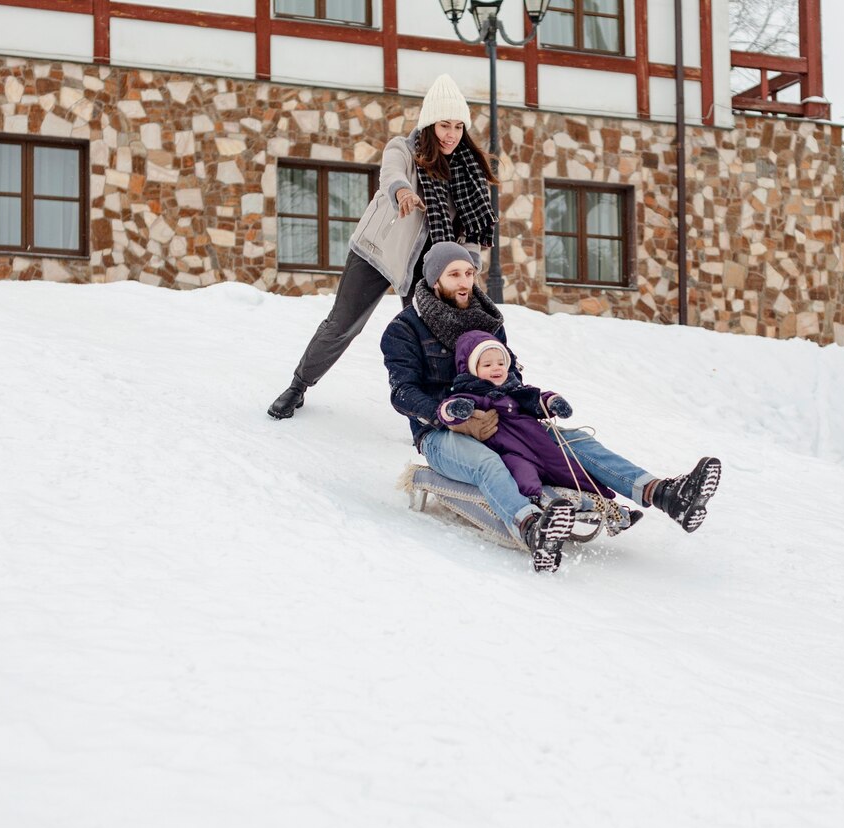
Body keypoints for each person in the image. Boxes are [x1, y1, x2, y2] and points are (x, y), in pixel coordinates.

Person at [381, 242, 722, 573]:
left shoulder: (486, 320)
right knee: (487, 463)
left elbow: (509, 376)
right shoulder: (405, 328)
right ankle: (530, 528)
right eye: (454, 274)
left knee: (576, 443)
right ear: (434, 279)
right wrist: (454, 419)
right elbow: (402, 393)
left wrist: (533, 403)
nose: (464, 282)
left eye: (469, 273)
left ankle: (665, 494)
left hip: (503, 422)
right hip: (440, 434)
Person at [267, 73, 498, 419]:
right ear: (430, 124)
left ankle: (435, 411)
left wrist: (468, 268)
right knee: (342, 325)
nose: (451, 134)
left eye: (458, 126)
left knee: (433, 337)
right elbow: (392, 174)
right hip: (377, 251)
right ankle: (298, 385)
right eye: (444, 125)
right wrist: (403, 192)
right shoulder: (403, 149)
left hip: (428, 265)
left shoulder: (469, 173)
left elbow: (472, 231)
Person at [438, 330, 616, 503]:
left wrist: (552, 402)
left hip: (541, 447)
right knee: (522, 474)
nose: (496, 368)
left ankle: (605, 499)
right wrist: (454, 409)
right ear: (472, 369)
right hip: (510, 453)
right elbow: (445, 410)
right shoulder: (473, 395)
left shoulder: (515, 389)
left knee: (570, 471)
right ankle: (535, 503)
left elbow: (536, 399)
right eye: (487, 365)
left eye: (501, 363)